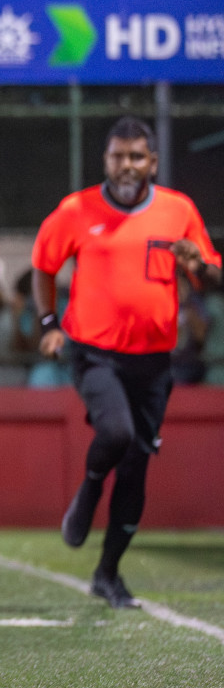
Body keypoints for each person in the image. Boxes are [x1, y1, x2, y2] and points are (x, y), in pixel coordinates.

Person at [33, 116, 221, 609]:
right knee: (114, 434)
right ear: (106, 160)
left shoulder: (179, 211)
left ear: (153, 163)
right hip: (94, 353)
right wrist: (49, 323)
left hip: (155, 362)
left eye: (137, 156)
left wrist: (196, 266)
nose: (127, 165)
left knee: (137, 467)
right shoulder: (77, 210)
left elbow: (212, 273)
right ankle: (90, 489)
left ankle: (108, 574)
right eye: (119, 156)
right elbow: (43, 267)